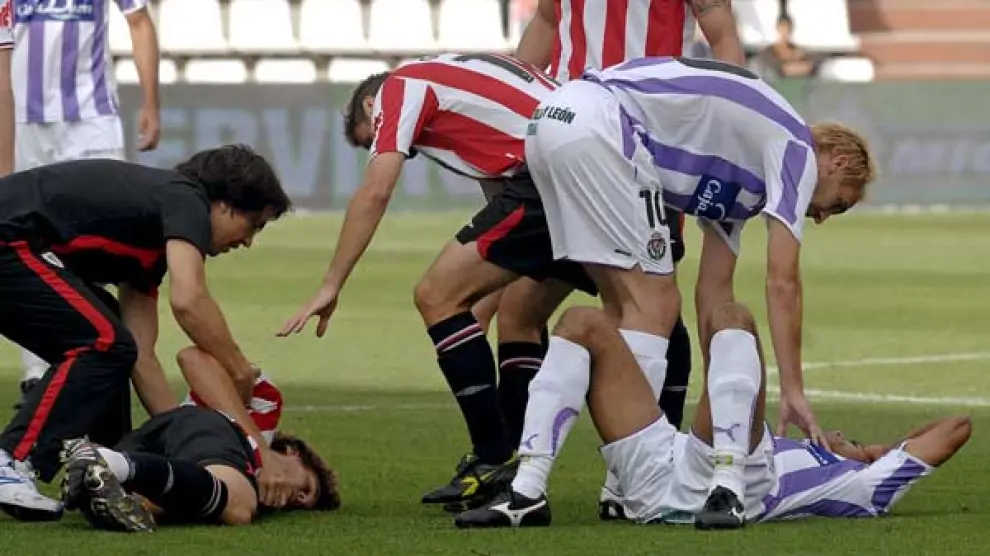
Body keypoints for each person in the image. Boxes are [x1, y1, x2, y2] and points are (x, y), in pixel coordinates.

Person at [476, 54, 875, 523]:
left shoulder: (743, 175)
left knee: (622, 306)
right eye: (838, 204)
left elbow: (715, 295)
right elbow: (782, 280)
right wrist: (792, 387)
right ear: (838, 162)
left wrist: (722, 392)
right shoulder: (796, 147)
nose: (823, 216)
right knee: (657, 301)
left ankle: (554, 486)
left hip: (550, 122)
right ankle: (627, 480)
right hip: (601, 124)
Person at [278, 53, 595, 509]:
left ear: (369, 106)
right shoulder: (461, 77)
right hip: (589, 159)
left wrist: (332, 284)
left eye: (371, 138)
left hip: (550, 173)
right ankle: (520, 470)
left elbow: (376, 190)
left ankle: (493, 456)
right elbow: (501, 208)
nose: (385, 145)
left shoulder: (399, 87)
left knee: (435, 295)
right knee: (528, 313)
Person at [513, 0, 746, 517]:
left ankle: (626, 473)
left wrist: (720, 132)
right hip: (564, 132)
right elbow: (546, 22)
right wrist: (516, 105)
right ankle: (509, 466)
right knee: (517, 305)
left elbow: (722, 34)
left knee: (645, 301)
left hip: (647, 139)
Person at [455, 304, 971, 528]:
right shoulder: (819, 455)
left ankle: (727, 490)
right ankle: (527, 491)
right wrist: (865, 446)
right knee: (581, 322)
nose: (837, 434)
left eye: (850, 439)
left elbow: (956, 428)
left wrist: (879, 453)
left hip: (733, 480)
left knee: (731, 317)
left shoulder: (860, 485)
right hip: (661, 473)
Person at [0, 145, 295, 522]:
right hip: (9, 240)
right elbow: (189, 300)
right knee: (105, 342)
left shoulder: (150, 244)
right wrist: (237, 369)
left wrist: (183, 445)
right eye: (254, 224)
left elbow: (141, 356)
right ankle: (12, 459)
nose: (248, 241)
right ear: (224, 204)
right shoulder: (187, 198)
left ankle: (106, 468)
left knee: (115, 341)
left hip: (14, 243)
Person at [13, 0, 163, 408]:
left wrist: (151, 102)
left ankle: (104, 361)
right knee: (25, 240)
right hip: (20, 117)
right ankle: (37, 371)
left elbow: (139, 20)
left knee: (105, 234)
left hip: (90, 117)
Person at [60, 406, 339, 532]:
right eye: (307, 487)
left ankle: (103, 472)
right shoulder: (259, 432)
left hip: (158, 451)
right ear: (293, 452)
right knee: (240, 506)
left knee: (138, 506)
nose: (299, 498)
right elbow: (194, 358)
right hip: (206, 426)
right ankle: (110, 462)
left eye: (301, 503)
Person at [756, 14, 817, 80]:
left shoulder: (797, 51)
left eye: (788, 29)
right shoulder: (769, 51)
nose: (785, 32)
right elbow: (776, 69)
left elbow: (810, 66)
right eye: (783, 28)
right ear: (777, 28)